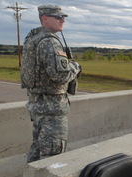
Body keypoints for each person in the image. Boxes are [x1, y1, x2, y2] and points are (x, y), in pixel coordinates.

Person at [20, 4, 82, 163]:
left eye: (63, 17)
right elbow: (61, 76)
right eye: (58, 17)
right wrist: (75, 67)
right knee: (53, 156)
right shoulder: (49, 42)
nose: (62, 20)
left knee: (38, 150)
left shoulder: (33, 38)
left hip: (37, 104)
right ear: (45, 19)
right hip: (52, 108)